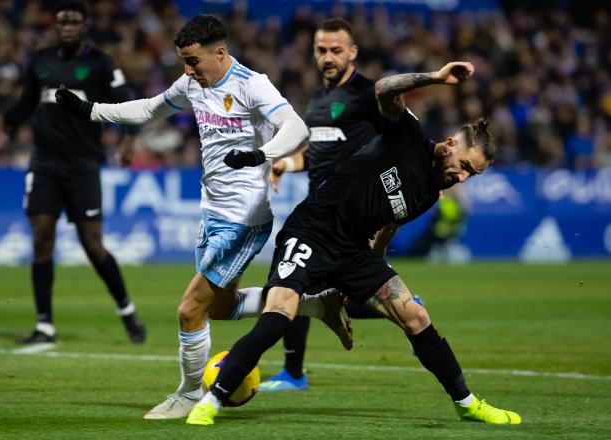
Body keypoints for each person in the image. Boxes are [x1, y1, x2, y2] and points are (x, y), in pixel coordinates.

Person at [186, 61, 522, 426]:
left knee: (416, 315)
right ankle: (213, 401)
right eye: (465, 166)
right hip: (312, 231)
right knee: (279, 314)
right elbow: (384, 89)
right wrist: (436, 78)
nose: (463, 176)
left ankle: (467, 403)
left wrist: (374, 273)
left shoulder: (431, 192)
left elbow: (388, 226)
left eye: (472, 174)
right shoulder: (406, 134)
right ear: (450, 144)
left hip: (353, 251)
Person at [55, 14, 352, 420]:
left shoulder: (252, 84)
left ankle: (190, 393)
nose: (188, 70)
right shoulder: (193, 83)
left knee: (189, 309)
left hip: (244, 218)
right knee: (218, 307)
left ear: (220, 52)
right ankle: (316, 306)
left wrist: (260, 154)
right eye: (183, 61)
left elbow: (296, 128)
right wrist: (89, 110)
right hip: (211, 210)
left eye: (194, 61)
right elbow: (146, 110)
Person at [0, 0, 146, 345]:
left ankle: (126, 308)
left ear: (86, 25)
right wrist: (5, 125)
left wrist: (128, 140)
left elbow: (126, 101)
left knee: (92, 245)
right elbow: (26, 103)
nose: (67, 27)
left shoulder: (100, 64)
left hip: (83, 164)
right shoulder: (40, 61)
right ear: (55, 26)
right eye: (62, 22)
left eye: (74, 21)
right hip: (44, 163)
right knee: (41, 238)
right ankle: (44, 325)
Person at [261, 18, 393, 392]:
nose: (328, 57)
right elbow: (317, 153)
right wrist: (287, 163)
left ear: (353, 52)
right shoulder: (319, 100)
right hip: (319, 212)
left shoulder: (370, 94)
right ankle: (293, 372)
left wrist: (429, 171)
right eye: (321, 50)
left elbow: (409, 133)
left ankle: (397, 301)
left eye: (336, 50)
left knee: (296, 285)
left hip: (355, 215)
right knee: (295, 284)